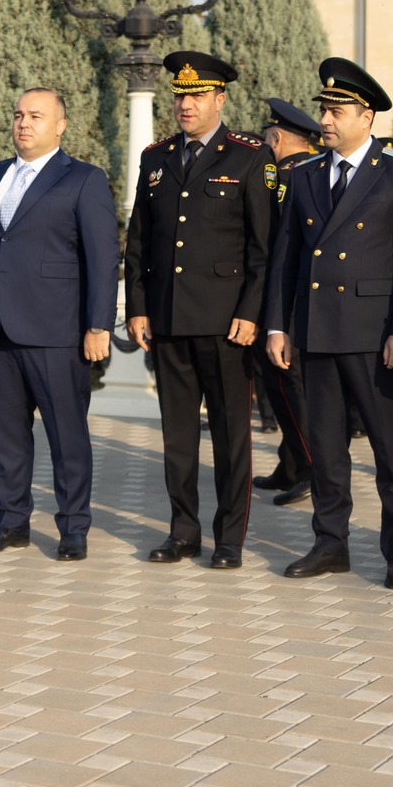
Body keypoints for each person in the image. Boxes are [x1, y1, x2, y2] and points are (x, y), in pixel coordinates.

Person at [265, 57, 393, 588]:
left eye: (337, 111)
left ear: (367, 117)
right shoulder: (307, 175)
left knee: (390, 451)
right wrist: (277, 325)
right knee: (326, 448)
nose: (326, 120)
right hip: (317, 331)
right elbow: (286, 258)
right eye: (324, 110)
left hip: (375, 334)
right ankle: (330, 543)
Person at [0, 89, 117, 559]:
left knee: (67, 438)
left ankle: (73, 528)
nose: (23, 123)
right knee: (8, 440)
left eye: (36, 116)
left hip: (58, 334)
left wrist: (98, 325)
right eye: (19, 114)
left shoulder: (83, 179)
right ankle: (11, 522)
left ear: (60, 126)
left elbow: (102, 259)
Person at [125, 55, 278, 569]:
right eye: (179, 95)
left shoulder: (250, 156)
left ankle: (229, 538)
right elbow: (139, 241)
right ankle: (183, 531)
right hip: (168, 319)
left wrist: (251, 313)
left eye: (196, 96)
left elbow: (263, 247)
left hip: (226, 323)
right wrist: (138, 307)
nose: (185, 105)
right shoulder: (156, 156)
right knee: (177, 436)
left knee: (232, 437)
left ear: (219, 99)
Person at [251, 98, 320, 508]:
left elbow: (277, 242)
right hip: (292, 297)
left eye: (267, 139)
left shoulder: (289, 176)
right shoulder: (306, 170)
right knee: (284, 387)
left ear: (276, 139)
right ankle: (291, 463)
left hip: (286, 300)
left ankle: (312, 468)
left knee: (288, 385)